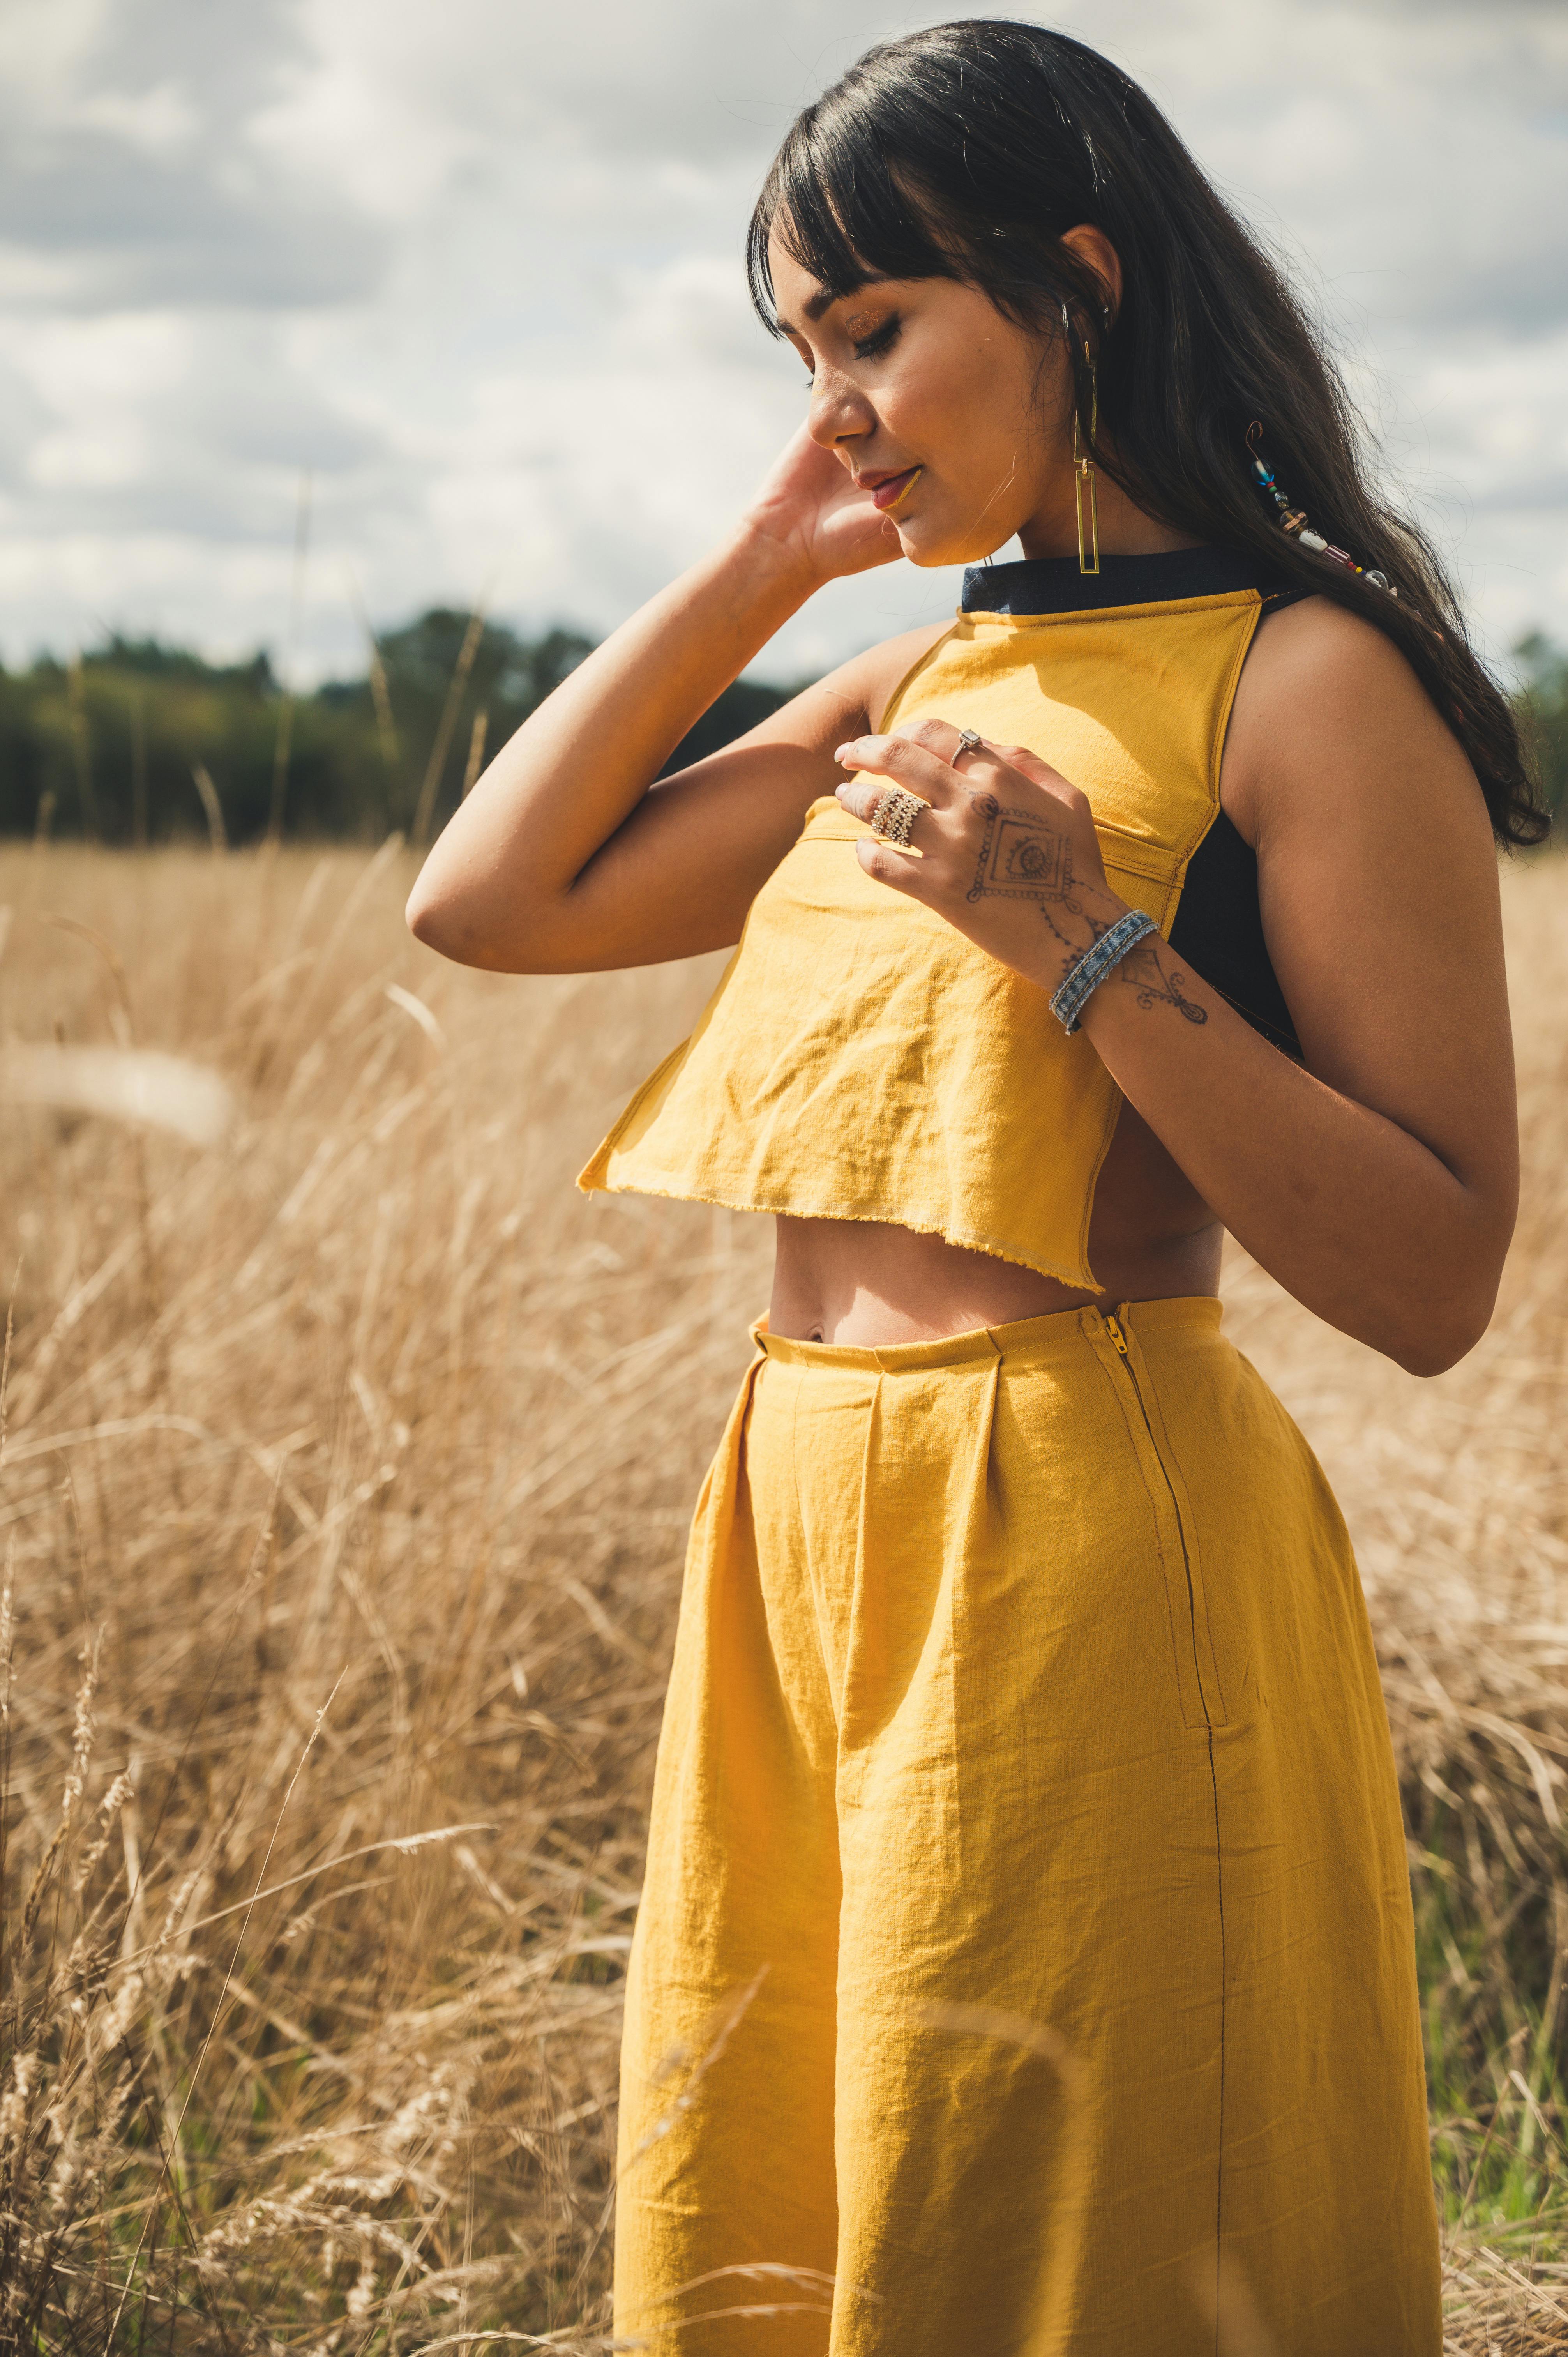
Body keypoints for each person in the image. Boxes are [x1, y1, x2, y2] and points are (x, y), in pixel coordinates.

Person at [407, 22, 1542, 2354]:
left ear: (1076, 280)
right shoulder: (923, 661)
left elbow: (1432, 1274)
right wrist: (766, 558)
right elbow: (487, 901)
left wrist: (1081, 945)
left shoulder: (1305, 678)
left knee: (1072, 2251)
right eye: (801, 353)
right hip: (796, 1509)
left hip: (1085, 1528)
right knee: (806, 2229)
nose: (835, 399)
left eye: (872, 330)